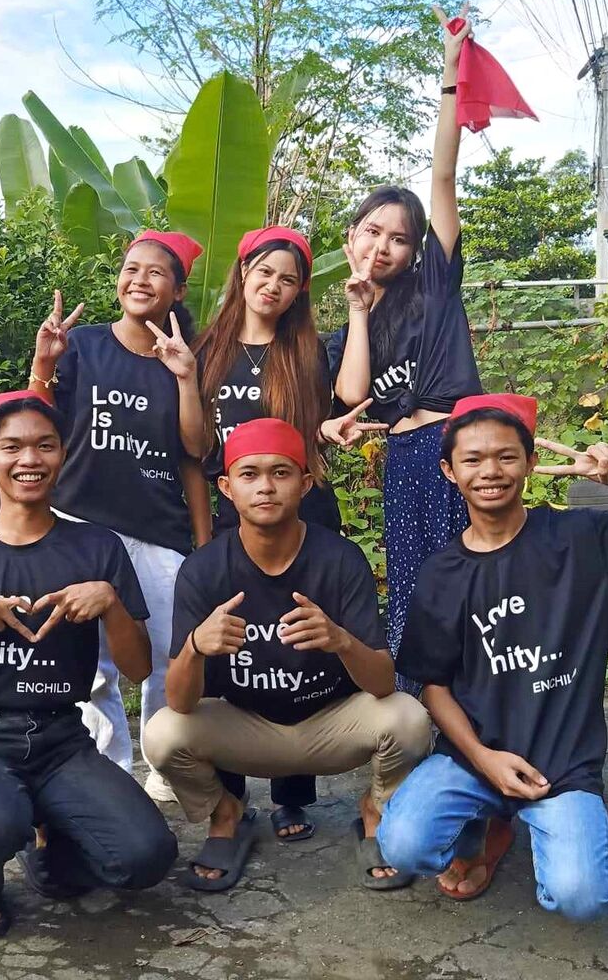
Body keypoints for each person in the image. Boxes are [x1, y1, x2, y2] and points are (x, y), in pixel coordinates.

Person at [377, 394, 608, 919]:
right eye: (473, 459)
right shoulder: (441, 573)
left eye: (506, 456)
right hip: (472, 759)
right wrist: (483, 758)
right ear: (449, 471)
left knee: (581, 897)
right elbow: (435, 686)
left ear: (529, 463)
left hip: (561, 768)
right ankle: (478, 828)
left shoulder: (581, 539)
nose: (490, 471)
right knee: (403, 846)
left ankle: (524, 823)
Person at [0, 391, 177, 942]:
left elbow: (139, 668)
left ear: (63, 454)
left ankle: (43, 835)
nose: (29, 459)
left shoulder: (97, 548)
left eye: (45, 446)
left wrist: (111, 602)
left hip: (61, 739)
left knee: (145, 857)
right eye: (12, 447)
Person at [142, 418, 432, 892]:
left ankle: (376, 811)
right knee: (163, 733)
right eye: (249, 474)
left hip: (330, 724)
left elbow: (383, 683)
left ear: (305, 482)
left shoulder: (340, 559)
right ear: (227, 488)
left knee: (409, 718)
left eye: (280, 472)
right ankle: (225, 815)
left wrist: (341, 640)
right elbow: (179, 701)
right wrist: (195, 646)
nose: (265, 487)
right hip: (246, 727)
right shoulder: (204, 570)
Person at [191, 225, 386, 841]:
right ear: (243, 272)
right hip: (234, 516)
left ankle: (293, 796)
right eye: (264, 272)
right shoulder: (205, 351)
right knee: (230, 647)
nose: (273, 286)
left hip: (306, 512)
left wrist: (357, 311)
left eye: (289, 279)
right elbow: (193, 449)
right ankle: (229, 793)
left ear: (301, 291)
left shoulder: (306, 351)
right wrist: (203, 531)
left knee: (299, 642)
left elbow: (347, 399)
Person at [327, 5, 484, 687]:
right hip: (404, 459)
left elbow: (442, 177)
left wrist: (450, 71)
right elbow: (353, 396)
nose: (383, 246)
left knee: (475, 578)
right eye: (371, 231)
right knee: (415, 589)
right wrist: (358, 311)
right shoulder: (350, 327)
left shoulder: (436, 284)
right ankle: (420, 713)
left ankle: (487, 707)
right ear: (351, 237)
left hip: (457, 442)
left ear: (416, 247)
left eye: (398, 237)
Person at [27, 230, 206, 800]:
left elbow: (196, 453)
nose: (139, 280)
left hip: (158, 531)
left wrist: (186, 378)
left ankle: (166, 765)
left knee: (167, 653)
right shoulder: (82, 346)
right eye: (132, 268)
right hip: (78, 524)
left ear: (177, 290)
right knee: (89, 660)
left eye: (156, 272)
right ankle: (106, 772)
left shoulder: (185, 357)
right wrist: (43, 361)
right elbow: (35, 421)